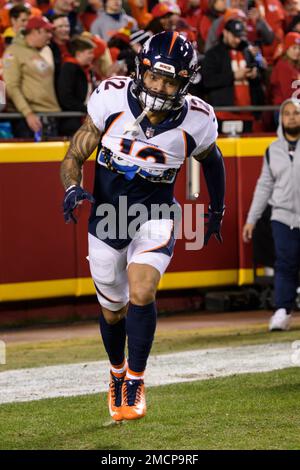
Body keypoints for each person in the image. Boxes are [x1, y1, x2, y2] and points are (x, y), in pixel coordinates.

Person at [60, 31, 226, 421]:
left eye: (170, 81)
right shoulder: (110, 97)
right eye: (155, 77)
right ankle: (117, 372)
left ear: (184, 82)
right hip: (107, 216)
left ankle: (135, 379)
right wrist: (72, 186)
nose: (160, 87)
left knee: (143, 290)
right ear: (141, 71)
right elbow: (75, 153)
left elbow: (213, 160)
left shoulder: (198, 118)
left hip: (156, 216)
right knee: (113, 310)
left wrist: (217, 209)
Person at [243, 98, 300, 331]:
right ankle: (282, 310)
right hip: (282, 215)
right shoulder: (272, 150)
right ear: (281, 118)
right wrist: (251, 219)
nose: (291, 117)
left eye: (295, 113)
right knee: (285, 263)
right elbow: (264, 186)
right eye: (287, 113)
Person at [201, 18, 265, 133]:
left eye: (239, 36)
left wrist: (255, 74)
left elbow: (259, 76)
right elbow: (208, 81)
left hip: (248, 113)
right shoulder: (213, 54)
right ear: (225, 32)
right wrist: (234, 76)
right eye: (234, 36)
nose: (237, 40)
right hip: (224, 113)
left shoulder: (247, 51)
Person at [2, 15, 60, 138]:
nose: (50, 35)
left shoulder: (47, 50)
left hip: (50, 113)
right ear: (34, 31)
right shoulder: (13, 52)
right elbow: (12, 86)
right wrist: (27, 113)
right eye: (47, 31)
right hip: (29, 118)